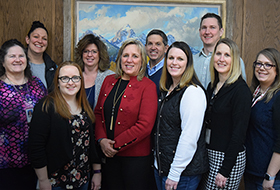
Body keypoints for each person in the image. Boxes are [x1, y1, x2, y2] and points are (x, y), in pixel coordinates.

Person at [94, 38, 158, 190]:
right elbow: (98, 113)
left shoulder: (148, 86)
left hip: (135, 160)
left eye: (135, 56)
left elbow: (145, 126)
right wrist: (102, 140)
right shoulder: (108, 80)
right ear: (119, 58)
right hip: (108, 156)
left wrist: (114, 145)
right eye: (125, 55)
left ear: (142, 61)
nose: (129, 60)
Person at [28, 61, 101, 190]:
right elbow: (36, 146)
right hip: (56, 181)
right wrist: (43, 180)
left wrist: (97, 172)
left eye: (75, 78)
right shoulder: (46, 106)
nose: (71, 82)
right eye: (65, 78)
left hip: (83, 179)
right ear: (57, 82)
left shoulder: (84, 106)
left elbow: (91, 143)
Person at [154, 41, 208, 190]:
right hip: (162, 168)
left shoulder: (193, 92)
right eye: (171, 58)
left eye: (180, 59)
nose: (174, 63)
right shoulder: (167, 89)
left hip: (182, 174)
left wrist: (174, 173)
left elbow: (189, 137)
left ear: (188, 63)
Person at [202, 38, 251, 189]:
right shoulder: (212, 86)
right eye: (218, 54)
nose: (221, 59)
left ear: (234, 60)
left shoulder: (241, 91)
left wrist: (225, 170)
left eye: (227, 55)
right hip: (210, 154)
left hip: (228, 158)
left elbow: (239, 133)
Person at [0, 39, 47, 189]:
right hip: (6, 165)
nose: (17, 60)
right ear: (3, 61)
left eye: (21, 56)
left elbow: (48, 117)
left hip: (36, 162)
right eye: (12, 56)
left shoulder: (37, 85)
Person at [245, 48, 280, 190]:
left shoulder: (278, 97)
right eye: (259, 64)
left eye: (268, 64)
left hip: (270, 177)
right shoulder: (254, 92)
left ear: (277, 69)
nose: (262, 68)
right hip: (251, 172)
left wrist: (270, 175)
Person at [193, 13, 246, 88]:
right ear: (199, 32)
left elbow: (242, 90)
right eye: (204, 28)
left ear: (221, 32)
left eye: (212, 27)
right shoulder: (192, 60)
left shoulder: (236, 61)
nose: (207, 32)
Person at [75, 34, 114, 110]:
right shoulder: (74, 76)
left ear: (100, 54)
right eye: (86, 51)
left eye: (94, 51)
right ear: (81, 54)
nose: (90, 55)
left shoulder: (109, 77)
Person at [26, 21, 57, 93]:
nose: (40, 41)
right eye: (36, 37)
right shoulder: (17, 64)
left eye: (44, 39)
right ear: (27, 39)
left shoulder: (53, 67)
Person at [145, 29, 169, 95]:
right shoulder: (139, 71)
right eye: (150, 44)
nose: (153, 47)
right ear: (145, 47)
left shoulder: (171, 72)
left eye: (158, 44)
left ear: (166, 48)